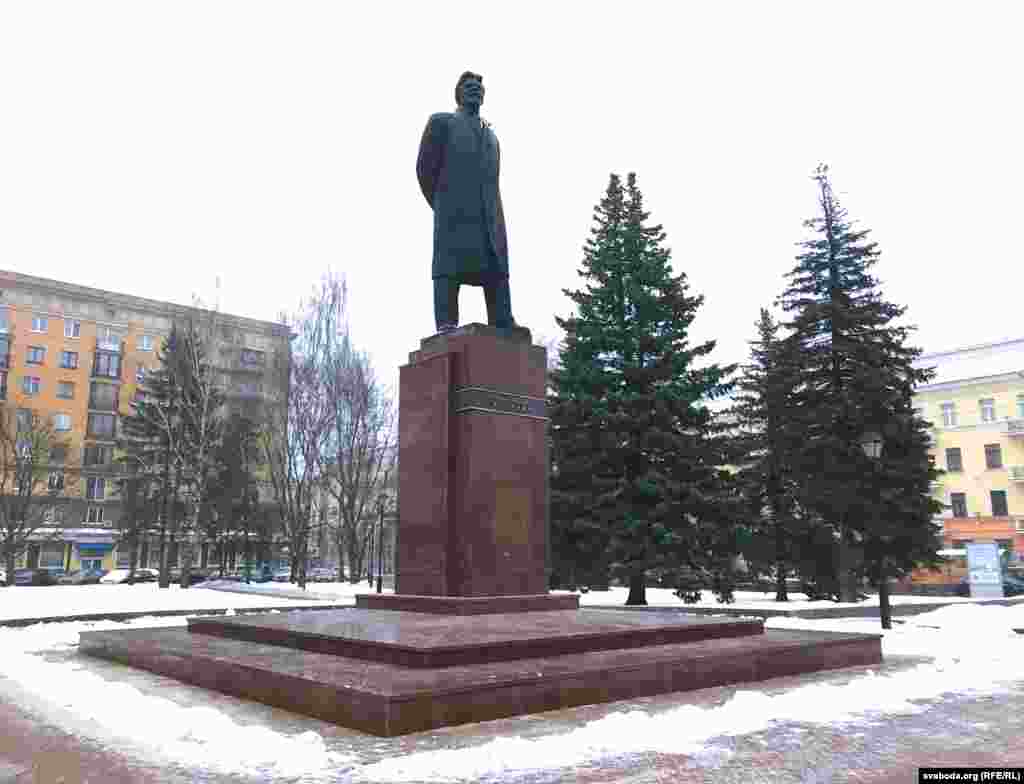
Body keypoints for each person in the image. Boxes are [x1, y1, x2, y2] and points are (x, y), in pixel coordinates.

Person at [416, 71, 516, 333]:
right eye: (469, 87)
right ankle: (446, 323)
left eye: (479, 88)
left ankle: (502, 319)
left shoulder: (491, 136)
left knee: (496, 268)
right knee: (449, 269)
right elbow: (425, 170)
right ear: (458, 94)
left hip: (490, 216)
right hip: (454, 214)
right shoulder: (442, 123)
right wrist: (444, 204)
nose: (475, 91)